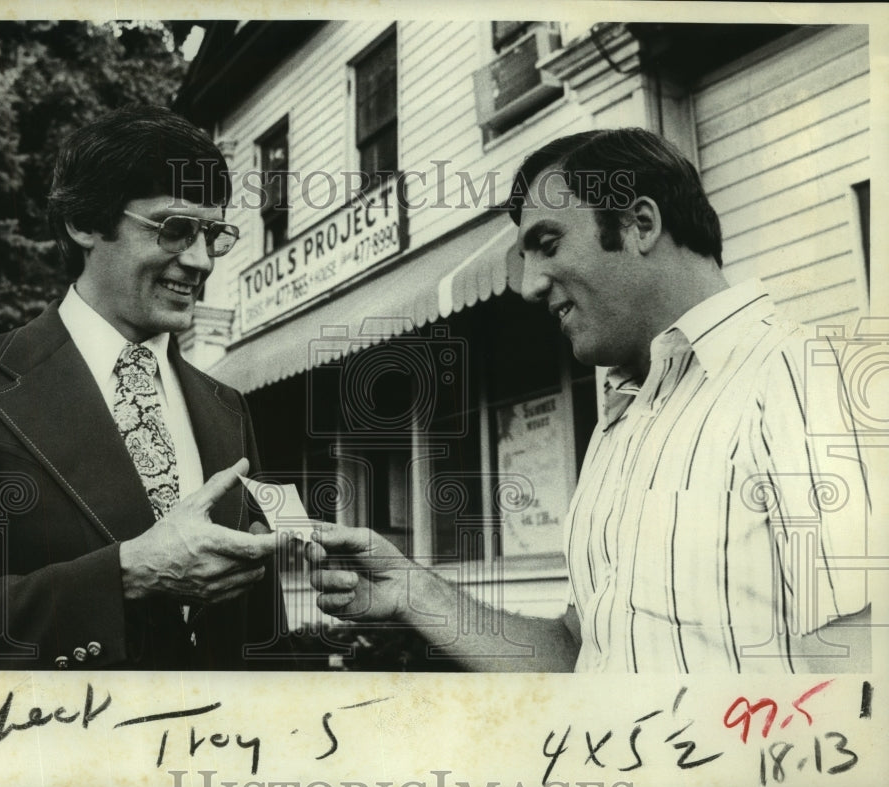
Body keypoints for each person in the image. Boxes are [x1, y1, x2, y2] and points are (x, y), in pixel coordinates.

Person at [307, 127, 872, 673]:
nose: (529, 285)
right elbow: (581, 656)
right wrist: (411, 589)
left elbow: (860, 696)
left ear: (639, 224)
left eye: (548, 245)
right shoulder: (621, 420)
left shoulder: (806, 381)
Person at [0, 105, 296, 670]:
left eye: (212, 234)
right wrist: (125, 574)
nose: (199, 260)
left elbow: (260, 634)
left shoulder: (226, 407)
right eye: (174, 229)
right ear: (85, 222)